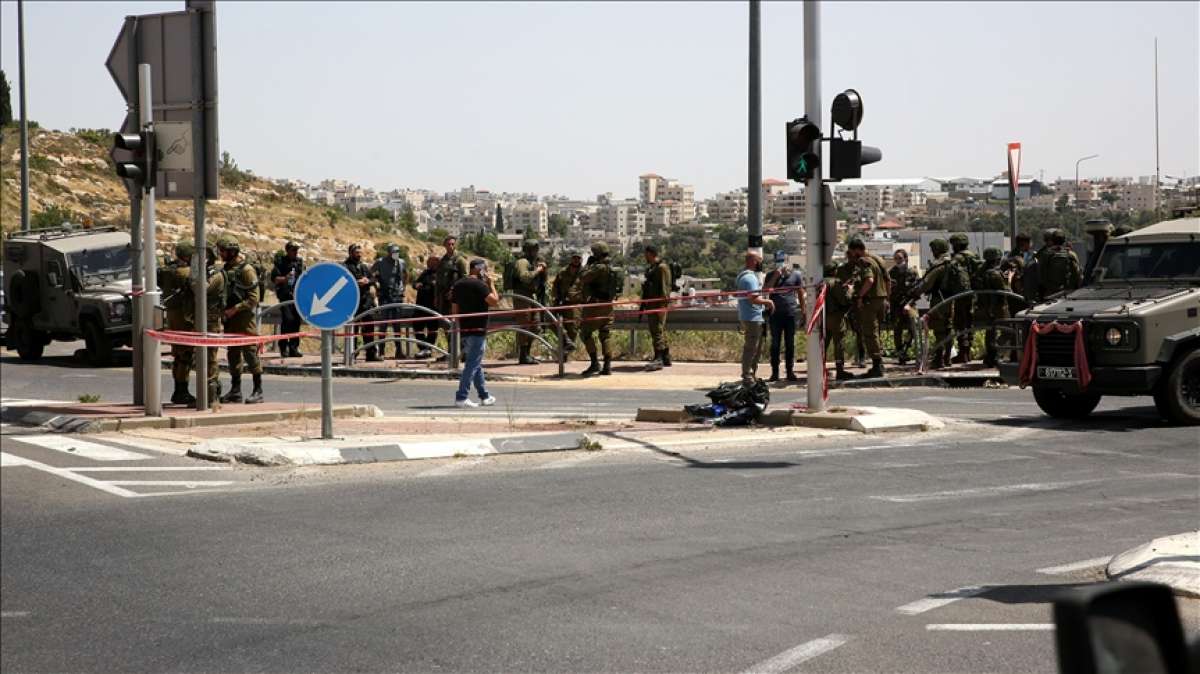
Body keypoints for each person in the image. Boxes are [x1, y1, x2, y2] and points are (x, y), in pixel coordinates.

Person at [216, 235, 264, 404]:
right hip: (231, 321)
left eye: (223, 251)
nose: (221, 254)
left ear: (232, 251)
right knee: (233, 355)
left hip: (244, 320)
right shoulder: (226, 269)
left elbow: (253, 298)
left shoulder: (246, 270)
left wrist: (235, 310)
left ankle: (258, 390)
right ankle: (235, 390)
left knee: (250, 354)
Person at [451, 259, 499, 408]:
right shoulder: (480, 285)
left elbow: (454, 310)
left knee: (476, 363)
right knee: (472, 364)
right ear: (478, 269)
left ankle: (484, 396)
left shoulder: (458, 285)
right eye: (485, 268)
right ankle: (462, 397)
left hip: (465, 329)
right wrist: (491, 284)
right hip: (478, 329)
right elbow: (494, 301)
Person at [846, 238, 890, 379]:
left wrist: (859, 296)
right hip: (881, 299)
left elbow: (869, 280)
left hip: (870, 301)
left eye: (853, 252)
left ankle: (877, 365)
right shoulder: (878, 259)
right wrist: (887, 298)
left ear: (857, 249)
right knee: (876, 332)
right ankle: (879, 363)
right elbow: (888, 279)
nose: (852, 255)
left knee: (870, 333)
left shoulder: (864, 261)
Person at [571, 241, 616, 376]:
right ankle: (607, 365)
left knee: (585, 332)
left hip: (596, 306)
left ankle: (595, 363)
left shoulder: (599, 267)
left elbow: (583, 277)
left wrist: (588, 265)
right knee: (605, 333)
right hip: (608, 305)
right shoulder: (610, 267)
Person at [913, 239, 956, 369]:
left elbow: (926, 283)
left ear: (937, 249)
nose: (932, 252)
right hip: (953, 300)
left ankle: (939, 360)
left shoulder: (939, 265)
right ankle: (947, 358)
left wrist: (915, 292)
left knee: (939, 330)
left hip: (939, 300)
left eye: (933, 249)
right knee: (949, 329)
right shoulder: (953, 262)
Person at [763, 250, 804, 382]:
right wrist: (776, 275)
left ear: (788, 260)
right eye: (778, 261)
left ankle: (790, 371)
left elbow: (800, 293)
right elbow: (765, 290)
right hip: (775, 315)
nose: (781, 263)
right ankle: (775, 372)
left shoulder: (796, 275)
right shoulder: (770, 275)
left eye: (783, 260)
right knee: (775, 344)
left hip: (790, 314)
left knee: (790, 344)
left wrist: (803, 311)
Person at [165, 240, 196, 406]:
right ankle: (181, 391)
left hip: (172, 316)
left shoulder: (169, 271)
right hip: (184, 317)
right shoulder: (186, 272)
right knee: (185, 355)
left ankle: (179, 389)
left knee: (178, 355)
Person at [736, 250, 774, 385]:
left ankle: (751, 373)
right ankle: (747, 375)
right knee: (751, 347)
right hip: (752, 317)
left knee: (756, 347)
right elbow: (753, 298)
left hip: (750, 316)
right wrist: (768, 302)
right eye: (758, 260)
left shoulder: (743, 276)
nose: (760, 264)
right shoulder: (750, 278)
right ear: (753, 261)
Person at [511, 240, 548, 365]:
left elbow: (543, 281)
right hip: (522, 297)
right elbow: (525, 277)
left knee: (536, 327)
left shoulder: (534, 262)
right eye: (533, 249)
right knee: (524, 325)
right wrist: (537, 270)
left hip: (532, 296)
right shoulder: (522, 262)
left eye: (536, 249)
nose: (535, 252)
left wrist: (543, 270)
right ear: (527, 250)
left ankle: (527, 353)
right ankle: (522, 355)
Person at [434, 235, 470, 357]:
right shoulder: (442, 261)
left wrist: (455, 290)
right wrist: (436, 296)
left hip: (456, 298)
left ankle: (462, 352)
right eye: (448, 244)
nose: (451, 246)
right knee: (445, 324)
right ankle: (450, 351)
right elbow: (438, 281)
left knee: (458, 323)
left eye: (453, 244)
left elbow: (465, 278)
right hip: (443, 297)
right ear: (444, 245)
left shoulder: (460, 260)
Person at [344, 243, 380, 363]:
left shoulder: (363, 267)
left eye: (360, 252)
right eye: (356, 252)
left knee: (369, 328)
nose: (359, 255)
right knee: (353, 330)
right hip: (352, 302)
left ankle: (371, 354)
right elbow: (342, 281)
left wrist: (368, 280)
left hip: (366, 301)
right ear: (351, 253)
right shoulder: (345, 266)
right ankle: (351, 354)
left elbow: (374, 279)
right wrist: (355, 282)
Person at [948, 232, 980, 364]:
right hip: (974, 295)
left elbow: (951, 272)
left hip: (962, 295)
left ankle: (963, 353)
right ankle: (967, 353)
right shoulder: (974, 256)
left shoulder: (958, 258)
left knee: (960, 323)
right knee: (969, 322)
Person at [371, 243, 408, 359]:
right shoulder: (380, 262)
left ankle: (399, 351)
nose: (395, 254)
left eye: (397, 252)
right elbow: (370, 273)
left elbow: (406, 275)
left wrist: (404, 287)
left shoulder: (401, 262)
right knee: (384, 324)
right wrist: (376, 285)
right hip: (385, 296)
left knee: (397, 325)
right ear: (388, 252)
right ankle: (381, 351)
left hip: (397, 295)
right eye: (393, 252)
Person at [641, 243, 673, 371]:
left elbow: (665, 288)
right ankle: (665, 357)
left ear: (650, 254)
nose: (645, 257)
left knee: (657, 331)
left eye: (646, 254)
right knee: (659, 330)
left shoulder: (661, 268)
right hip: (652, 303)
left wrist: (661, 306)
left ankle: (658, 358)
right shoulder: (653, 268)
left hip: (658, 304)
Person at [977, 247, 1011, 367]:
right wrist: (1009, 278)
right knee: (1009, 331)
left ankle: (990, 355)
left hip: (987, 307)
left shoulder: (982, 271)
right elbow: (1005, 290)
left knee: (990, 332)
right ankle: (994, 352)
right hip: (999, 307)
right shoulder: (995, 274)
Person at [271, 241, 305, 358]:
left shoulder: (299, 262)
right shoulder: (281, 262)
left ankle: (293, 348)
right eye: (293, 250)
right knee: (287, 320)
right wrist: (285, 279)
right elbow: (274, 279)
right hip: (285, 296)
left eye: (297, 250)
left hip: (297, 296)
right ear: (288, 251)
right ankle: (283, 347)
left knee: (296, 322)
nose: (296, 252)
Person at [825, 259, 858, 381]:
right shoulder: (835, 282)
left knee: (824, 344)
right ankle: (840, 370)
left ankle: (820, 370)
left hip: (822, 317)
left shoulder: (820, 282)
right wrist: (850, 291)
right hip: (835, 317)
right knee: (839, 344)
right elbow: (844, 300)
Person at [888, 249, 921, 366]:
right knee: (897, 330)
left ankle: (906, 348)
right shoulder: (892, 272)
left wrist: (909, 304)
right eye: (896, 259)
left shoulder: (912, 272)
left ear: (906, 259)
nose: (897, 261)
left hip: (910, 304)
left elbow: (918, 291)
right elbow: (889, 290)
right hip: (896, 306)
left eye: (900, 258)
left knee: (914, 329)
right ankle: (901, 353)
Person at [202, 244, 226, 403]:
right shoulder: (206, 273)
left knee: (210, 357)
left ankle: (212, 393)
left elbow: (203, 289)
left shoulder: (216, 275)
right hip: (201, 320)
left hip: (211, 321)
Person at [550, 250, 583, 353]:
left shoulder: (584, 273)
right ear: (571, 259)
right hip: (562, 303)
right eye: (574, 258)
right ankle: (565, 342)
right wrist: (556, 298)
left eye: (578, 258)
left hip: (576, 305)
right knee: (552, 322)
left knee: (572, 329)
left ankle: (565, 352)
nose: (576, 260)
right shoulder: (563, 272)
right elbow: (555, 286)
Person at [412, 255, 440, 358]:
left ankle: (428, 349)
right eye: (430, 262)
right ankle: (424, 348)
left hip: (433, 307)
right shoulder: (425, 273)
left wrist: (434, 285)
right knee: (417, 326)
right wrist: (416, 285)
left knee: (432, 329)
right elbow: (414, 283)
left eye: (434, 262)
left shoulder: (440, 274)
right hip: (420, 306)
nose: (432, 264)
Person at [1039, 230, 1082, 297]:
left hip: (1050, 293)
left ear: (1052, 240)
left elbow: (1041, 276)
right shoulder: (1071, 254)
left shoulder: (1045, 255)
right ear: (1064, 241)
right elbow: (1077, 275)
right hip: (1067, 293)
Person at [1081, 221, 1113, 285]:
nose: (1097, 240)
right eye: (1096, 237)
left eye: (1099, 237)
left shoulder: (1111, 251)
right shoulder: (1093, 254)